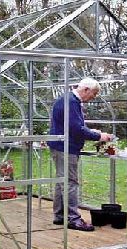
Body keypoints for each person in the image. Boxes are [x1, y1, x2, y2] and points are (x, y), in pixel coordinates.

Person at [47, 77, 112, 231]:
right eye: (94, 94)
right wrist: (98, 136)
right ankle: (73, 219)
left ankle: (60, 215)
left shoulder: (67, 99)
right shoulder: (71, 102)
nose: (93, 98)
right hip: (65, 147)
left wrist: (91, 131)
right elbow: (76, 129)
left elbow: (73, 125)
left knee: (62, 181)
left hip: (60, 145)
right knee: (70, 183)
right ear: (86, 90)